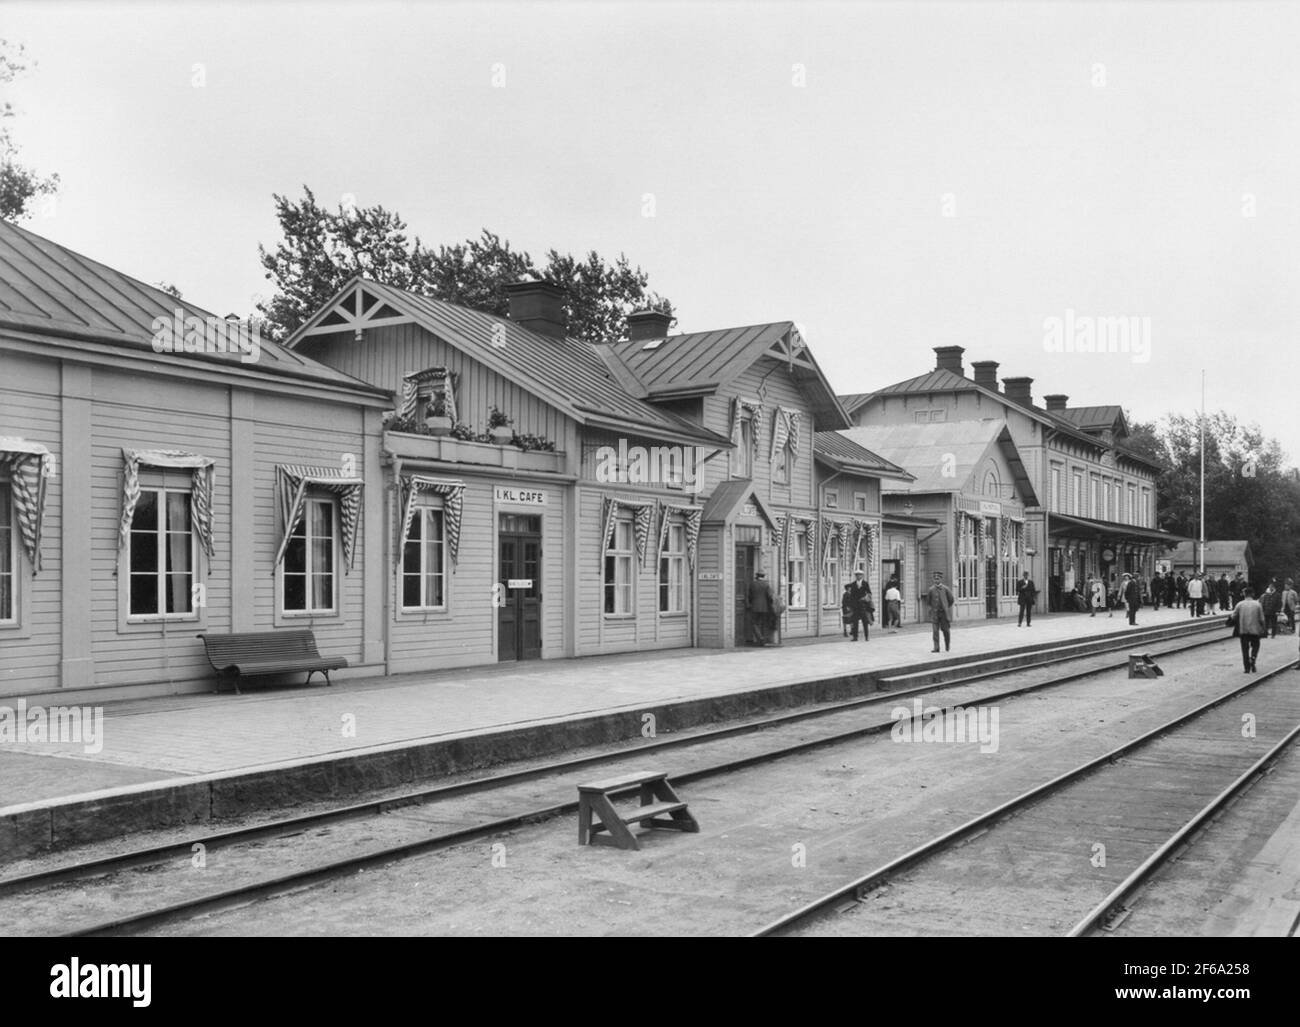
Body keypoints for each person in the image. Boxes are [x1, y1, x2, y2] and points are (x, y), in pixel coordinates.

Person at [1227, 587, 1265, 673]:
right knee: (1256, 645)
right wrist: (1263, 628)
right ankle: (1253, 657)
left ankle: (1247, 668)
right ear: (1253, 594)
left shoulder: (1240, 604)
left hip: (1243, 630)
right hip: (1255, 630)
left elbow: (1233, 616)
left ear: (1244, 594)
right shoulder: (1258, 604)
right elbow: (1262, 619)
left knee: (1245, 649)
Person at [927, 571, 955, 652]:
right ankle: (936, 648)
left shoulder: (946, 589)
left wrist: (946, 607)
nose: (936, 580)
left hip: (944, 614)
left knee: (945, 630)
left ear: (941, 579)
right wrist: (931, 610)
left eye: (938, 578)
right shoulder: (931, 589)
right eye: (935, 579)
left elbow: (951, 600)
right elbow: (928, 602)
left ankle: (947, 645)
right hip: (935, 613)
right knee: (935, 631)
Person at [746, 570, 775, 646]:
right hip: (765, 607)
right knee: (764, 623)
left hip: (754, 607)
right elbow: (770, 596)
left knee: (754, 623)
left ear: (757, 576)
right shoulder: (766, 585)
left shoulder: (752, 584)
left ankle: (760, 638)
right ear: (763, 576)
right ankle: (764, 640)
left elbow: (749, 596)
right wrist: (771, 604)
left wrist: (749, 604)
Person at [846, 569, 873, 641]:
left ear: (862, 576)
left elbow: (870, 593)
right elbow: (851, 595)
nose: (858, 576)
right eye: (857, 575)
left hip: (863, 605)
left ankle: (866, 636)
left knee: (865, 622)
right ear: (855, 576)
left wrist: (865, 598)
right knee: (855, 622)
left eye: (860, 575)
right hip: (855, 606)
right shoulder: (853, 584)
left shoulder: (865, 584)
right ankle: (855, 637)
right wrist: (851, 605)